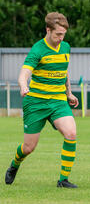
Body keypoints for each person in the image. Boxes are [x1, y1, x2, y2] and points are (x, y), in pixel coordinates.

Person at [4, 12, 79, 188]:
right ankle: (14, 164)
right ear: (48, 30)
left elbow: (63, 71)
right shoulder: (38, 49)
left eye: (63, 35)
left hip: (58, 101)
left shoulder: (66, 47)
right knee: (29, 147)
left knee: (71, 133)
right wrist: (23, 86)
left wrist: (69, 93)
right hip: (36, 102)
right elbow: (24, 73)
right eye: (57, 34)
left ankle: (63, 180)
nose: (61, 38)